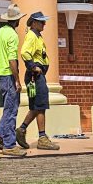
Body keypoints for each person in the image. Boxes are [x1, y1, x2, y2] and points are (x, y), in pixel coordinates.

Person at [17, 12, 59, 150]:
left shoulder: (37, 36)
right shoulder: (32, 36)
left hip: (37, 76)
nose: (44, 24)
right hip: (35, 76)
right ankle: (42, 138)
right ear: (34, 23)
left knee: (37, 105)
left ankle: (22, 130)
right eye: (42, 22)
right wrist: (33, 67)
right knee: (40, 106)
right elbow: (24, 52)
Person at [0, 3, 26, 156]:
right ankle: (10, 145)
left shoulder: (0, 31)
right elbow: (12, 60)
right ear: (17, 20)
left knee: (8, 107)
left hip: (1, 74)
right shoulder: (12, 35)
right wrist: (17, 80)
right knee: (11, 110)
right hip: (9, 75)